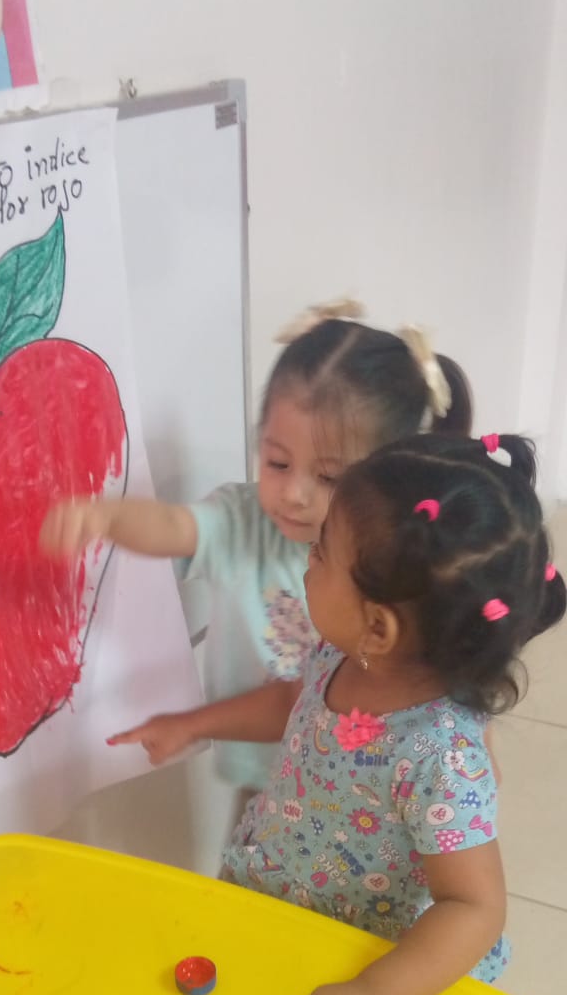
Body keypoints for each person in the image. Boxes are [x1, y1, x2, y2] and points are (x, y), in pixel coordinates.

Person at [214, 432, 565, 995]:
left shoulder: (439, 757)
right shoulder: (341, 652)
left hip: (367, 960)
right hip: (279, 900)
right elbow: (295, 707)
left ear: (378, 626)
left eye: (322, 551)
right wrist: (191, 725)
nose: (307, 560)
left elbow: (475, 908)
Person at [41, 303, 473, 822]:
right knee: (249, 858)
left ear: (389, 478)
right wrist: (107, 516)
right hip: (262, 771)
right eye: (277, 462)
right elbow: (174, 526)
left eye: (329, 477)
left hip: (359, 787)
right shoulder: (244, 521)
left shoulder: (398, 561)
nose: (293, 493)